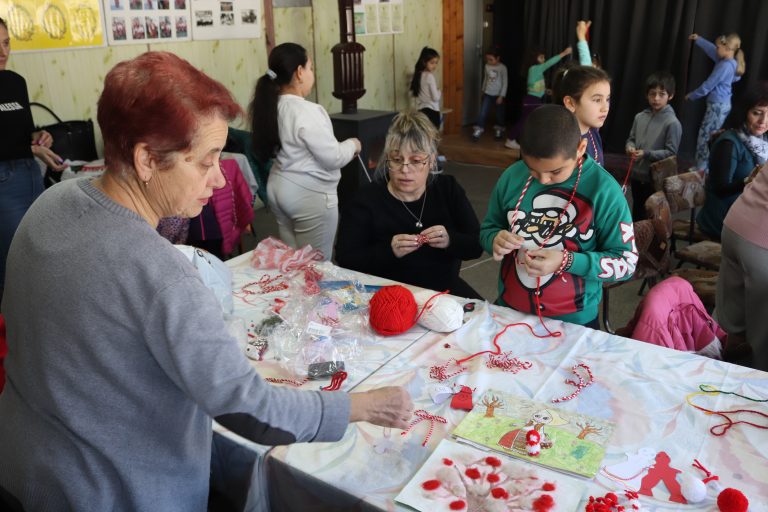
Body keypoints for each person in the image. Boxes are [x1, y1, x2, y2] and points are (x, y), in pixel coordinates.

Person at [0, 51, 412, 511]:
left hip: (25, 468)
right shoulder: (160, 273)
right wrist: (363, 406)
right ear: (146, 160)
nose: (219, 179)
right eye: (205, 161)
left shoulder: (50, 203)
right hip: (115, 491)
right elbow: (249, 409)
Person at [479, 105, 636, 328]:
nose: (542, 180)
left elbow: (626, 264)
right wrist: (494, 239)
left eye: (555, 172)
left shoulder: (604, 190)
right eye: (532, 169)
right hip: (509, 311)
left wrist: (567, 261)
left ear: (581, 149)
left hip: (573, 322)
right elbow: (488, 228)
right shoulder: (512, 177)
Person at [336, 111, 483, 299]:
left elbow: (476, 245)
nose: (405, 169)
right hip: (386, 293)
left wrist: (450, 240)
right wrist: (388, 251)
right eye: (397, 160)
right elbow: (346, 259)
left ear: (430, 161)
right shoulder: (365, 201)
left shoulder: (447, 189)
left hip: (443, 290)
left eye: (415, 161)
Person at [250, 42, 361, 261]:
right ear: (299, 72)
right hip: (308, 195)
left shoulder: (271, 106)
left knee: (293, 261)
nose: (312, 74)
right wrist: (353, 144)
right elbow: (333, 157)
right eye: (310, 68)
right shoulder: (307, 111)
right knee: (316, 266)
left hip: (278, 188)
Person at [0, 17, 65, 305]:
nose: (3, 51)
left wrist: (40, 136)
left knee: (43, 252)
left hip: (30, 175)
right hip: (4, 183)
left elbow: (24, 130)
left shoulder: (16, 82)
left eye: (5, 43)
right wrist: (29, 148)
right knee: (12, 263)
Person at [696, 83, 768, 240]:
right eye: (757, 113)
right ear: (745, 112)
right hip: (723, 219)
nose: (764, 121)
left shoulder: (763, 139)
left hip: (748, 211)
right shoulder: (728, 143)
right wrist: (750, 180)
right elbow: (720, 189)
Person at [717, 157, 768, 371]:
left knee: (731, 327)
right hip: (761, 243)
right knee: (761, 346)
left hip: (737, 224)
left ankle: (718, 386)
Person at [625, 71, 683, 220]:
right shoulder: (640, 117)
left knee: (652, 217)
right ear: (647, 95)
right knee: (636, 212)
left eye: (661, 94)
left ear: (670, 95)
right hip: (637, 175)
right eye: (652, 94)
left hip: (655, 180)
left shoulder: (672, 122)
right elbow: (631, 139)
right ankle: (635, 243)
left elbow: (671, 153)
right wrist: (630, 147)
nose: (656, 98)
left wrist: (646, 153)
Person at [686, 33, 746, 174]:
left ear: (727, 49)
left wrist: (692, 95)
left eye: (719, 46)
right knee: (707, 135)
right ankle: (703, 167)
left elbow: (708, 85)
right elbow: (712, 49)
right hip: (719, 105)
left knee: (705, 136)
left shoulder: (724, 66)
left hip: (717, 106)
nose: (716, 48)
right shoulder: (728, 61)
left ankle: (701, 169)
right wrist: (699, 39)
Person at [504, 45, 573, 150]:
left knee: (528, 121)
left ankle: (515, 140)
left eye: (543, 57)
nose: (543, 59)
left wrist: (546, 91)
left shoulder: (536, 71)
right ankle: (510, 140)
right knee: (526, 121)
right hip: (532, 100)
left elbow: (534, 85)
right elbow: (549, 63)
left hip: (533, 99)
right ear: (535, 58)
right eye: (541, 57)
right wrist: (564, 53)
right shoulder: (534, 68)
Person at [553, 65, 611, 166]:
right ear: (570, 103)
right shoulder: (560, 143)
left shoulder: (593, 132)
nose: (605, 108)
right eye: (597, 100)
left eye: (607, 99)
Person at [472, 48, 508, 141]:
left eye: (491, 59)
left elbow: (505, 83)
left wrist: (501, 96)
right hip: (488, 93)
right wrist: (483, 90)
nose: (489, 61)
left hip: (498, 95)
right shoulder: (487, 66)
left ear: (498, 58)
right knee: (483, 112)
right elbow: (485, 79)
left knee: (499, 114)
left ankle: (499, 131)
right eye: (487, 59)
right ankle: (478, 131)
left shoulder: (502, 68)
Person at [410, 46, 442, 130]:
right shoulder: (429, 76)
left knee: (424, 138)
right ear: (424, 62)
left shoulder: (418, 75)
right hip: (432, 111)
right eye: (432, 63)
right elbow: (435, 98)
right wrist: (439, 91)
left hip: (421, 111)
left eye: (436, 63)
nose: (434, 65)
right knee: (433, 139)